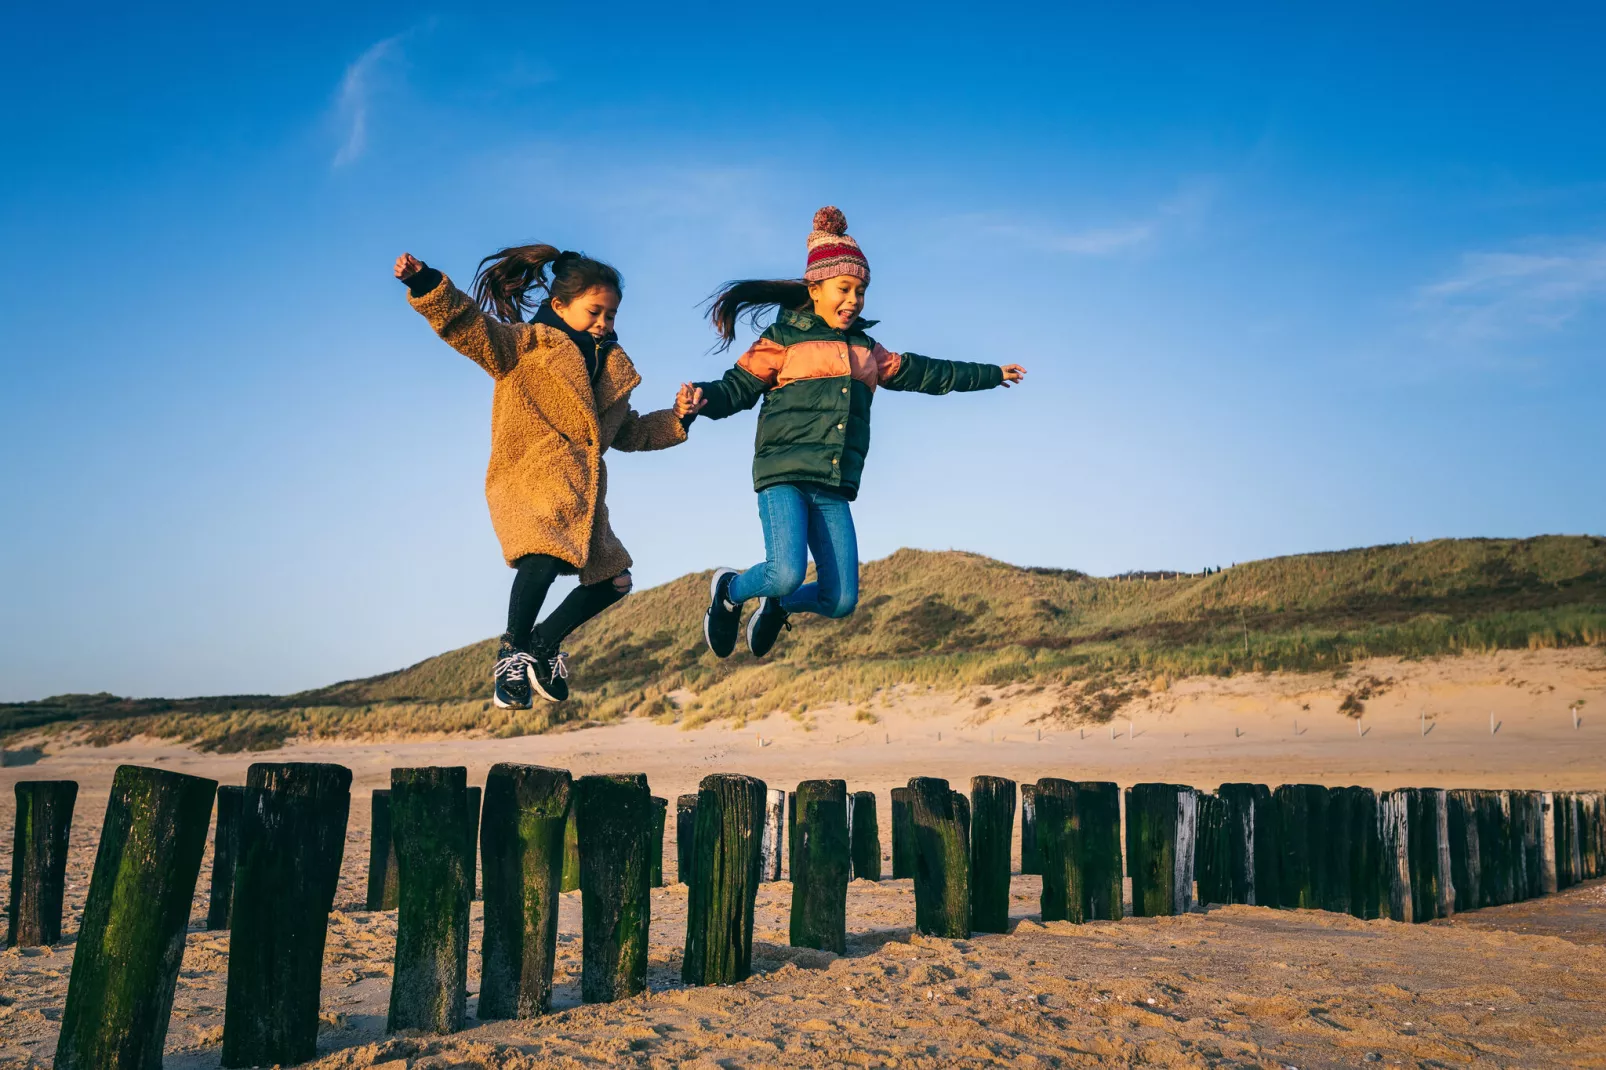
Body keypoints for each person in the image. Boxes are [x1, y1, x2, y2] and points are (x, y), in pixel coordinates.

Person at [690, 207, 1026, 658]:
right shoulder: (783, 338)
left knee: (840, 600)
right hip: (784, 475)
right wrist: (699, 402)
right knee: (786, 570)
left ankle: (778, 605)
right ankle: (730, 591)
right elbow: (737, 389)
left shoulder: (867, 350)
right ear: (816, 288)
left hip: (832, 483)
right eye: (844, 288)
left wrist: (988, 373)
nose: (854, 299)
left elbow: (928, 372)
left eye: (861, 291)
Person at [395, 245, 702, 707]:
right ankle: (511, 654)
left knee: (614, 582)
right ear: (560, 306)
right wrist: (427, 285)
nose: (604, 322)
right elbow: (468, 327)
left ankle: (541, 646)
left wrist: (680, 416)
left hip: (582, 495)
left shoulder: (612, 369)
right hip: (531, 475)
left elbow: (629, 432)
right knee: (541, 555)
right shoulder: (524, 345)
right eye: (594, 311)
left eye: (612, 314)